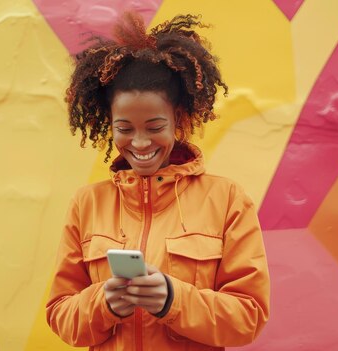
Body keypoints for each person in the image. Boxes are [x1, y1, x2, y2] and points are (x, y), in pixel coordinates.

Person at [46, 12, 270, 351]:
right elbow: (61, 315)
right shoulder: (86, 203)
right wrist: (102, 305)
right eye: (124, 129)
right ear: (110, 124)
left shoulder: (228, 199)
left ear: (177, 118)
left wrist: (173, 299)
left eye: (154, 127)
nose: (139, 143)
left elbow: (248, 317)